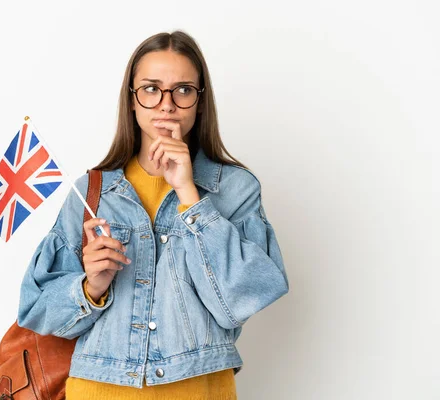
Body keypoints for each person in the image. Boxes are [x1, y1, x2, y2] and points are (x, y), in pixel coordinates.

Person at [17, 30, 289, 400]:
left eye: (183, 90)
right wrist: (90, 287)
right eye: (150, 88)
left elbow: (241, 299)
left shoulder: (235, 189)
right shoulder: (92, 193)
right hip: (99, 390)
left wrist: (190, 196)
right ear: (131, 100)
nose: (167, 104)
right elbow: (36, 310)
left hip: (197, 390)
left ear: (199, 101)